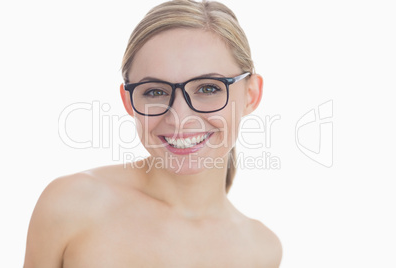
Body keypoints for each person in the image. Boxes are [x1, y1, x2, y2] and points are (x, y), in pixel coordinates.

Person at [24, 0, 282, 267]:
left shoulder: (261, 250)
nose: (180, 119)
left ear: (251, 94)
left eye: (208, 88)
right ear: (128, 102)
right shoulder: (72, 204)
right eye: (155, 92)